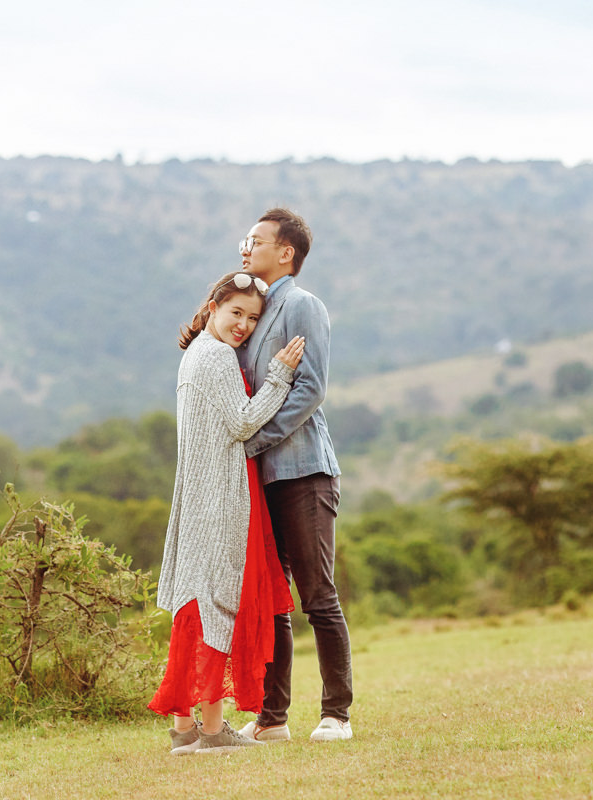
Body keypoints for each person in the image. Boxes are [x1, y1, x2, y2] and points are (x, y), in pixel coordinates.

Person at [150, 270, 307, 755]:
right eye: (235, 312)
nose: (243, 325)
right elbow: (241, 423)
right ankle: (214, 731)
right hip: (219, 495)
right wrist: (281, 375)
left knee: (196, 603)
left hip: (200, 493)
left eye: (252, 318)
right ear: (214, 305)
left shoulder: (197, 350)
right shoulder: (216, 355)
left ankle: (185, 728)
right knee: (218, 602)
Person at [235, 208, 354, 743]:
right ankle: (272, 719)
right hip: (263, 480)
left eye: (255, 240)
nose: (245, 247)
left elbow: (310, 389)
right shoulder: (257, 311)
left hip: (303, 471)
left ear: (286, 252)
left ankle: (336, 715)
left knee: (316, 595)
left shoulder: (302, 305)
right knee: (273, 599)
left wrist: (251, 442)